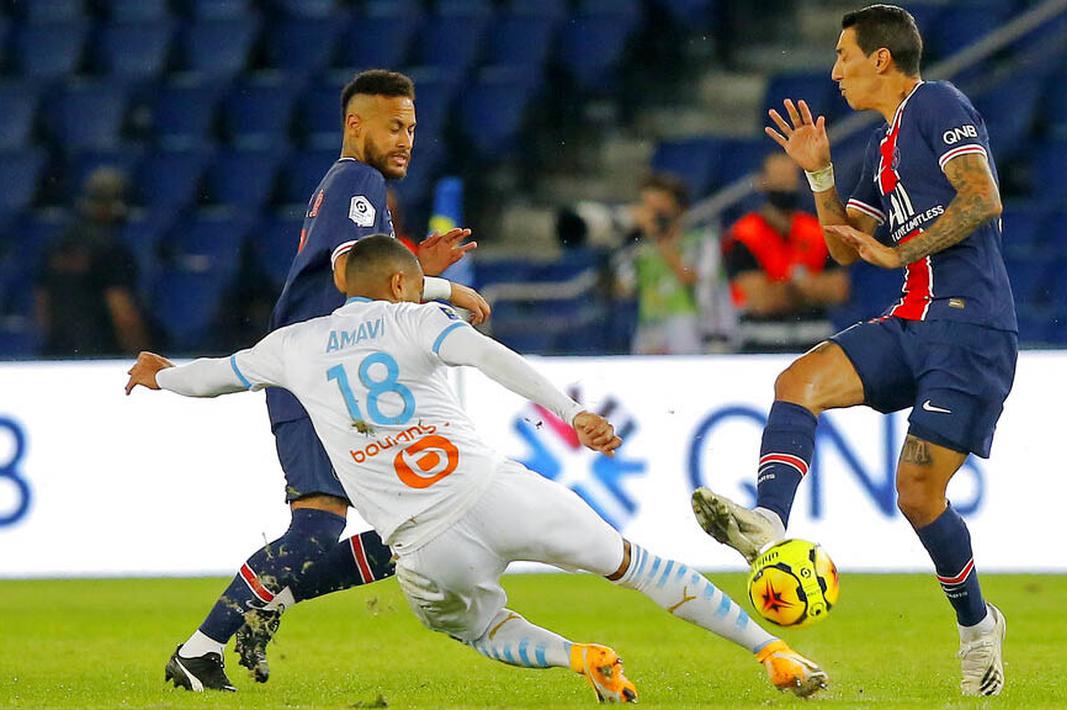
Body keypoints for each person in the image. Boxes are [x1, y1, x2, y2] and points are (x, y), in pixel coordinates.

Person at [128, 235, 828, 702]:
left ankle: (574, 657)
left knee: (483, 629)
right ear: (403, 283)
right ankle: (772, 653)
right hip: (494, 489)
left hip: (423, 544)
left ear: (342, 284)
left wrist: (160, 377)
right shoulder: (415, 320)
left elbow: (211, 379)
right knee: (634, 563)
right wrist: (569, 411)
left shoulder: (293, 344)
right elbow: (494, 359)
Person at [690, 5, 1016, 697]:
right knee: (797, 381)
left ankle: (976, 624)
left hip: (970, 328)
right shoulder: (881, 146)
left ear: (881, 59)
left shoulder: (937, 105)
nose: (834, 70)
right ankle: (770, 523)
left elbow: (982, 198)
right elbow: (843, 244)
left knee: (917, 495)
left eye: (843, 56)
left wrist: (900, 248)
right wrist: (819, 177)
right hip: (911, 320)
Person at [164, 69, 488, 691]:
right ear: (355, 125)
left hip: (346, 382)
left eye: (413, 129)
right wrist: (441, 287)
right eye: (394, 126)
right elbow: (346, 271)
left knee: (413, 535)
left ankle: (271, 604)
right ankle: (197, 653)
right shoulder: (357, 182)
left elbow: (362, 283)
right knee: (316, 527)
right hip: (315, 375)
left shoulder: (355, 190)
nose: (406, 140)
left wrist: (416, 269)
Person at [726, 153, 851, 352]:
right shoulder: (744, 235)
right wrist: (808, 288)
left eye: (790, 180)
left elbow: (839, 289)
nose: (786, 187)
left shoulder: (817, 230)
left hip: (815, 341)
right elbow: (762, 301)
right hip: (760, 343)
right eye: (779, 180)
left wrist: (780, 288)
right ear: (762, 182)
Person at [35, 167, 149, 357]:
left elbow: (42, 305)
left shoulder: (57, 245)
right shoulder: (111, 248)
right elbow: (121, 310)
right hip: (101, 353)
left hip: (58, 352)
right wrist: (139, 355)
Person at [614, 173, 706, 354]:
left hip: (688, 325)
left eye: (658, 207)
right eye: (647, 206)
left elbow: (690, 276)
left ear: (677, 207)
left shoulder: (700, 241)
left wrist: (659, 239)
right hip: (650, 325)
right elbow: (623, 289)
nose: (651, 214)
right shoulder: (640, 248)